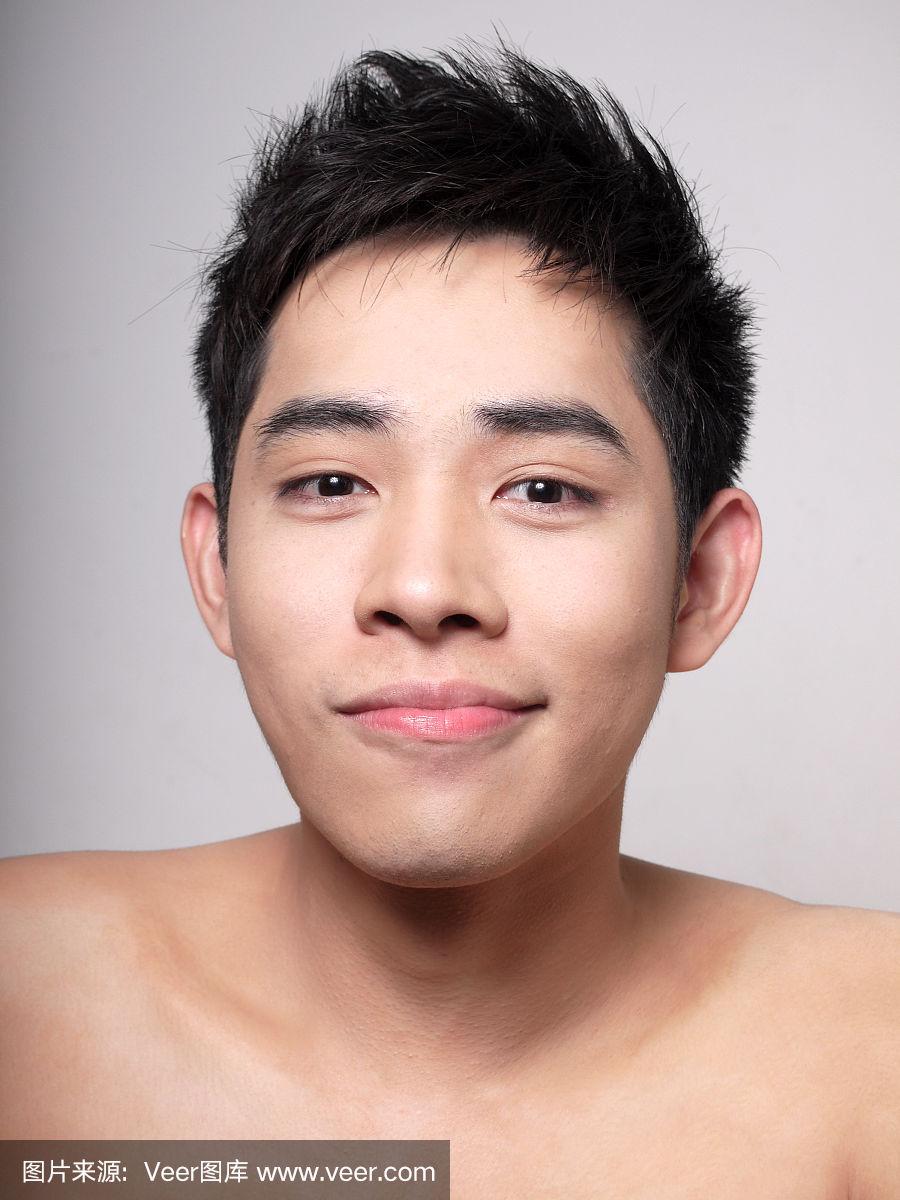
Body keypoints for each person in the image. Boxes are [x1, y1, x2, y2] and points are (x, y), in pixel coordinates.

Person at [1, 36, 897, 1195]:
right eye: (332, 481)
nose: (424, 589)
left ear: (701, 580)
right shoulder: (27, 1009)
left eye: (544, 489)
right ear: (216, 565)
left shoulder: (868, 1060)